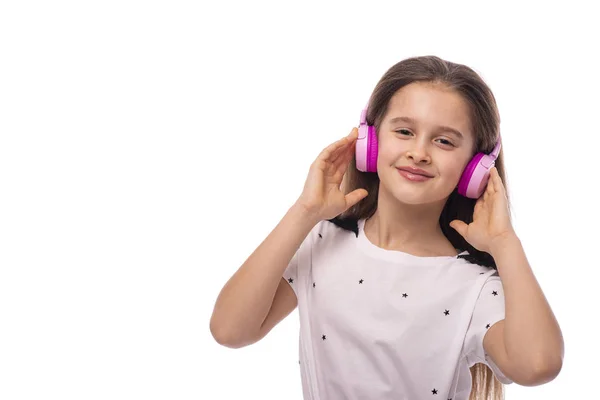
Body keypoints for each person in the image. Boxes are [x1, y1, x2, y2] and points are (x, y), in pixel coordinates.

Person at [209, 55, 564, 400]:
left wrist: (505, 243)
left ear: (476, 167)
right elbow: (230, 330)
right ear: (370, 140)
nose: (419, 152)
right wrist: (304, 211)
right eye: (405, 131)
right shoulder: (321, 242)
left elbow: (537, 366)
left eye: (444, 141)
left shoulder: (474, 286)